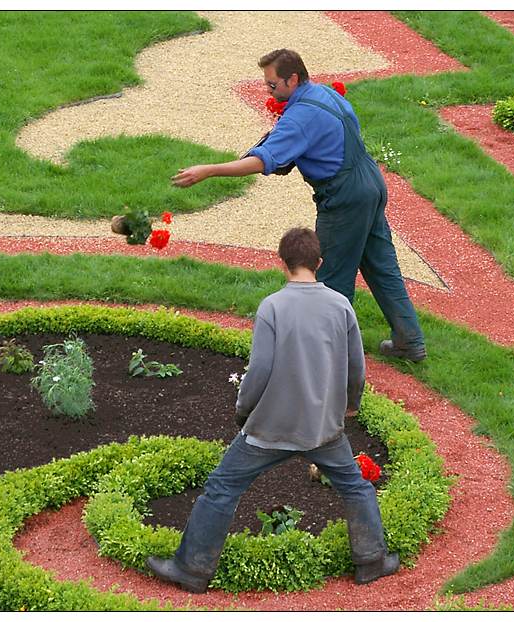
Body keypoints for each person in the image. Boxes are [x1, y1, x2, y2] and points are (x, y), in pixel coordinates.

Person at [146, 227, 399, 593]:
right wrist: (350, 406)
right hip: (324, 429)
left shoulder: (273, 307)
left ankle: (192, 569)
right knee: (355, 487)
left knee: (222, 488)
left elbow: (259, 370)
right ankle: (372, 560)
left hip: (270, 428)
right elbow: (356, 367)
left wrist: (244, 410)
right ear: (319, 263)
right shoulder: (341, 305)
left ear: (282, 264)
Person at [171, 48, 426, 362]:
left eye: (273, 85)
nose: (270, 91)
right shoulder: (323, 95)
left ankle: (333, 359)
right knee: (382, 267)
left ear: (292, 79)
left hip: (345, 198)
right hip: (371, 184)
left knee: (332, 280)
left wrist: (208, 171)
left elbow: (263, 161)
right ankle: (409, 342)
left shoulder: (301, 117)